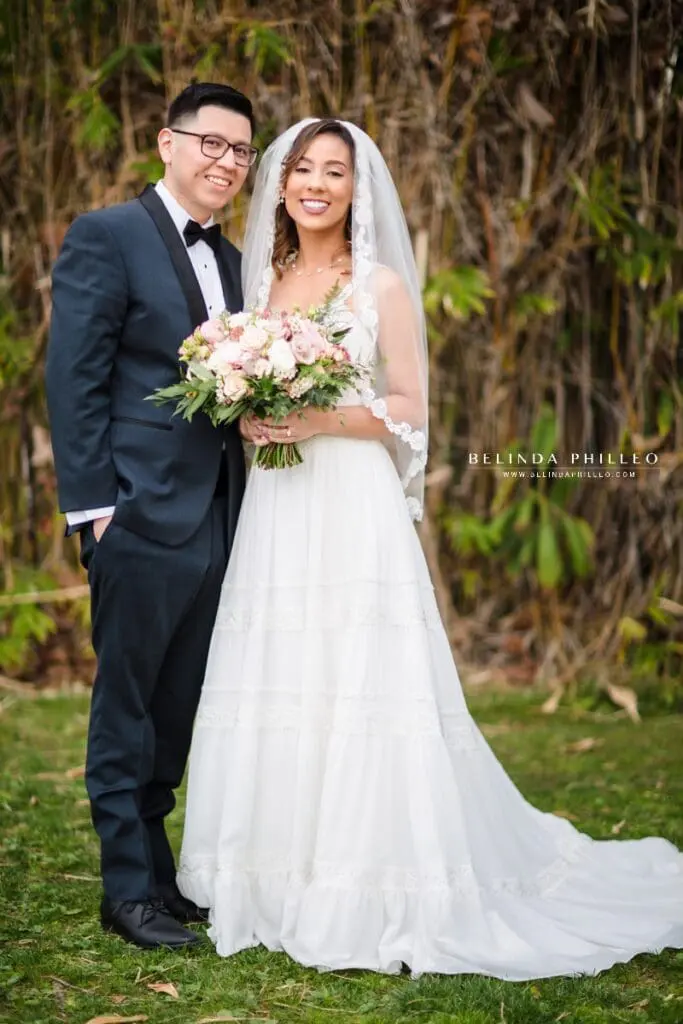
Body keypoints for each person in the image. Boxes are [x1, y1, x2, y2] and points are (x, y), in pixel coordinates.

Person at [176, 117, 683, 979]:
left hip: (348, 501)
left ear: (354, 189)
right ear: (281, 185)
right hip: (279, 504)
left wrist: (316, 418)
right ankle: (268, 872)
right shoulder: (258, 285)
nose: (316, 184)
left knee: (359, 676)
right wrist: (249, 405)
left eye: (334, 172)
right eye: (302, 169)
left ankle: (366, 877)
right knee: (283, 670)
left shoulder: (377, 287)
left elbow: (408, 405)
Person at [45, 82, 257, 949]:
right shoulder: (108, 235)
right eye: (211, 142)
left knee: (179, 705)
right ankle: (124, 890)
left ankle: (159, 880)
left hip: (220, 515)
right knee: (126, 703)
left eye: (241, 151)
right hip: (135, 513)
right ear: (166, 143)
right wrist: (97, 510)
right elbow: (74, 378)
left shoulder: (238, 262)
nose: (226, 162)